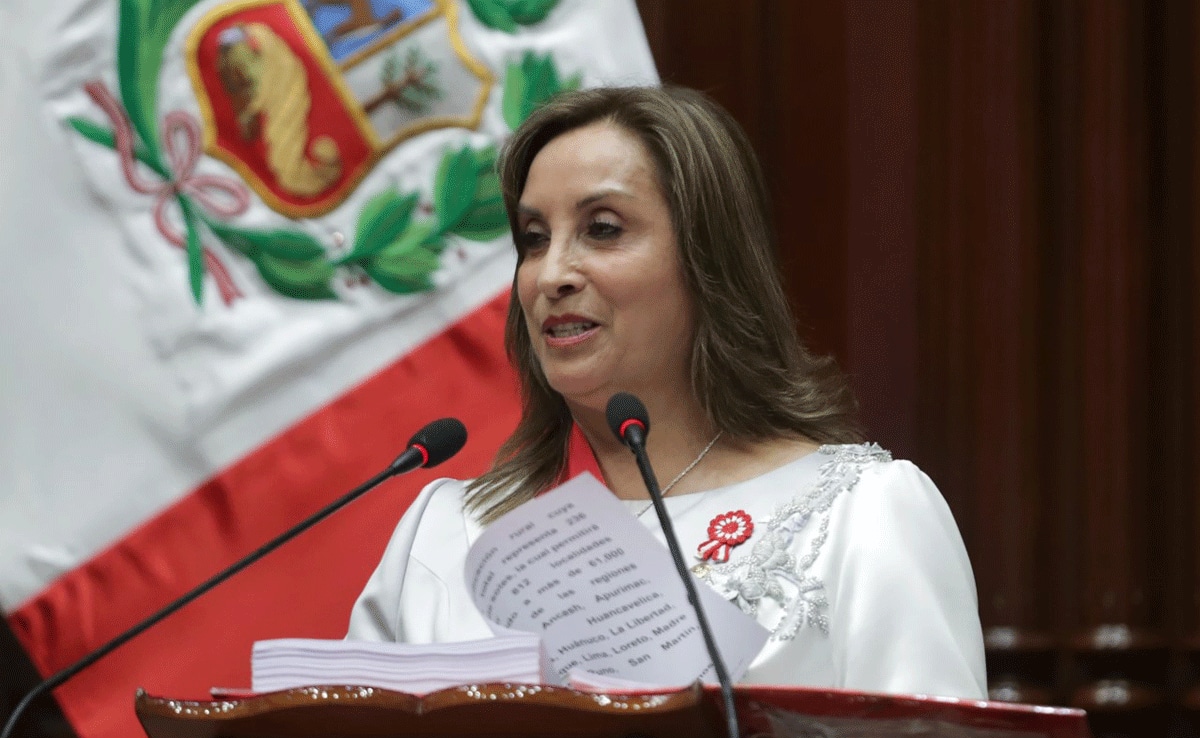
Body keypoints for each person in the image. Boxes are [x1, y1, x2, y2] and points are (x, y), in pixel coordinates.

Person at [347, 85, 987, 700]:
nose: (552, 274)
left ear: (707, 262)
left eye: (602, 229)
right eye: (534, 239)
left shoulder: (861, 515)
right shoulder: (446, 533)